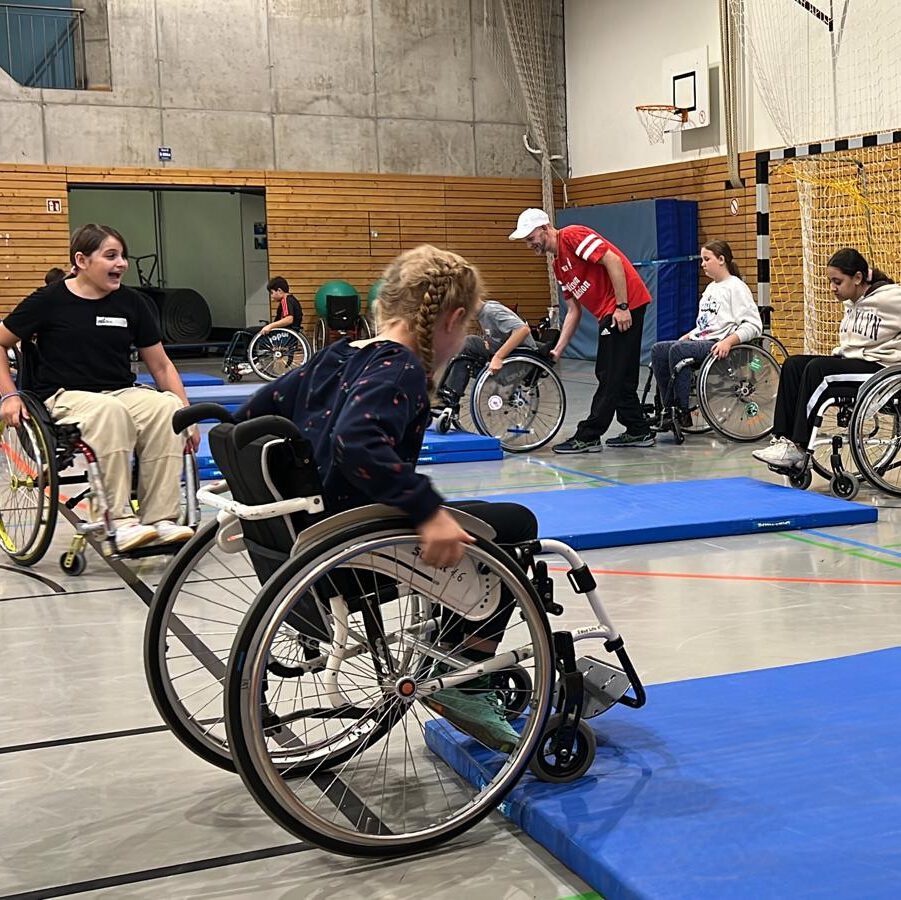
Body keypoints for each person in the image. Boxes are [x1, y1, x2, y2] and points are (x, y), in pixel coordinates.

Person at [236, 244, 537, 752]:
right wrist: (427, 510)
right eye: (464, 332)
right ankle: (464, 670)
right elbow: (356, 442)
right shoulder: (402, 369)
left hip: (306, 539)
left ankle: (452, 658)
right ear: (454, 319)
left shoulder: (337, 354)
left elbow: (251, 417)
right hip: (358, 546)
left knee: (487, 517)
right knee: (514, 525)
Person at [0, 224, 199, 552]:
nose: (121, 263)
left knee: (167, 409)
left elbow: (161, 365)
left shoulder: (132, 303)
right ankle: (116, 522)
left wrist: (186, 411)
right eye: (111, 256)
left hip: (118, 391)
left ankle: (160, 520)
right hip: (62, 395)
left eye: (123, 256)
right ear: (81, 260)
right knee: (111, 412)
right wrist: (8, 395)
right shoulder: (49, 300)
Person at [509, 207, 654, 452]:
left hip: (624, 305)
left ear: (545, 228)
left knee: (608, 373)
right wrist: (557, 351)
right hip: (612, 309)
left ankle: (589, 435)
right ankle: (638, 429)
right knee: (622, 375)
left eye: (531, 238)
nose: (529, 244)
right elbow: (573, 312)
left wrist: (622, 306)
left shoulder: (572, 236)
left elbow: (613, 260)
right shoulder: (558, 266)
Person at [753, 247, 901, 470]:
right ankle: (782, 439)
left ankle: (799, 447)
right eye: (830, 281)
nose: (832, 288)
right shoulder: (852, 302)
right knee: (794, 364)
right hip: (856, 363)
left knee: (818, 369)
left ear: (858, 277)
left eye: (838, 281)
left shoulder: (891, 297)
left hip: (881, 369)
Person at [651, 240, 762, 429]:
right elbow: (707, 324)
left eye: (706, 259)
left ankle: (683, 411)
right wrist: (689, 334)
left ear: (721, 259)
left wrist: (728, 342)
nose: (702, 264)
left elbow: (753, 325)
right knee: (659, 349)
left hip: (719, 344)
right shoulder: (711, 288)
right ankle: (668, 410)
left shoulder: (736, 287)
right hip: (702, 340)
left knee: (680, 351)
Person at [438, 296, 537, 401]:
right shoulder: (482, 314)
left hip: (520, 362)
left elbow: (523, 330)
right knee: (467, 343)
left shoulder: (491, 311)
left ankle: (450, 395)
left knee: (466, 352)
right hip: (507, 354)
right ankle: (443, 389)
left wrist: (498, 357)